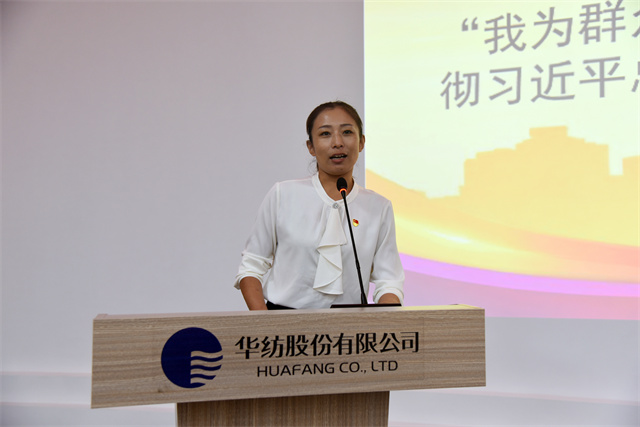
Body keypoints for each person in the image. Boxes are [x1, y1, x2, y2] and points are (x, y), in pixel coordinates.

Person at [234, 101, 404, 310]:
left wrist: (384, 320)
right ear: (311, 147)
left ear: (361, 142)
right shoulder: (283, 194)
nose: (337, 142)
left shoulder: (379, 207)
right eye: (325, 134)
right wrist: (264, 323)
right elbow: (251, 267)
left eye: (347, 132)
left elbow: (389, 281)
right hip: (281, 321)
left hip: (350, 326)